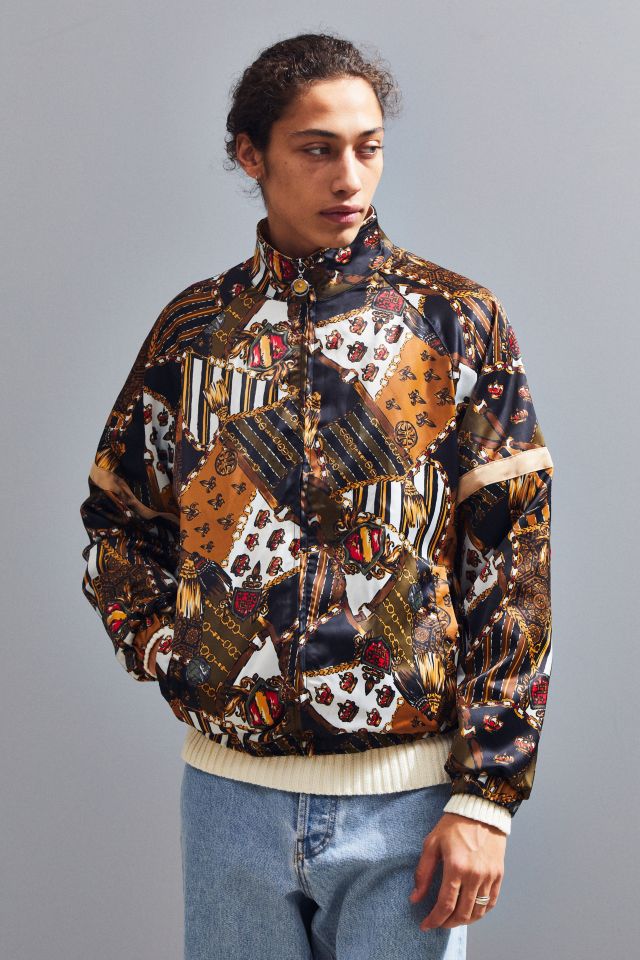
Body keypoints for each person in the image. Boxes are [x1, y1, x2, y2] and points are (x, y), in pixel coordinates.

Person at [79, 32, 554, 960]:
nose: (349, 177)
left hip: (411, 807)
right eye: (317, 149)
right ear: (250, 154)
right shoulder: (195, 332)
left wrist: (487, 796)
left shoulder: (453, 321)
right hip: (229, 805)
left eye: (368, 147)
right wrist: (174, 651)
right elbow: (118, 521)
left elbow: (514, 563)